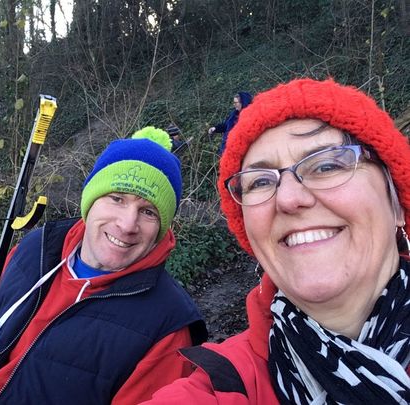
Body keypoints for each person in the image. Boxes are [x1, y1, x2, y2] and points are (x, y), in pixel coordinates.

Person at [144, 78, 410, 404]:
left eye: (326, 165)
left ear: (397, 203)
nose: (288, 198)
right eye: (259, 182)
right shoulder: (221, 384)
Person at [0, 127, 207, 404]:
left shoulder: (167, 325)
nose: (128, 224)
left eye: (148, 212)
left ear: (161, 227)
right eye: (116, 198)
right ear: (90, 202)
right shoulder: (36, 250)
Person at [208, 91, 253, 155]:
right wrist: (215, 128)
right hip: (226, 149)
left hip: (240, 151)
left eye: (236, 103)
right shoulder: (234, 114)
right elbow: (226, 125)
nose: (234, 105)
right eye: (234, 102)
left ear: (242, 103)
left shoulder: (249, 116)